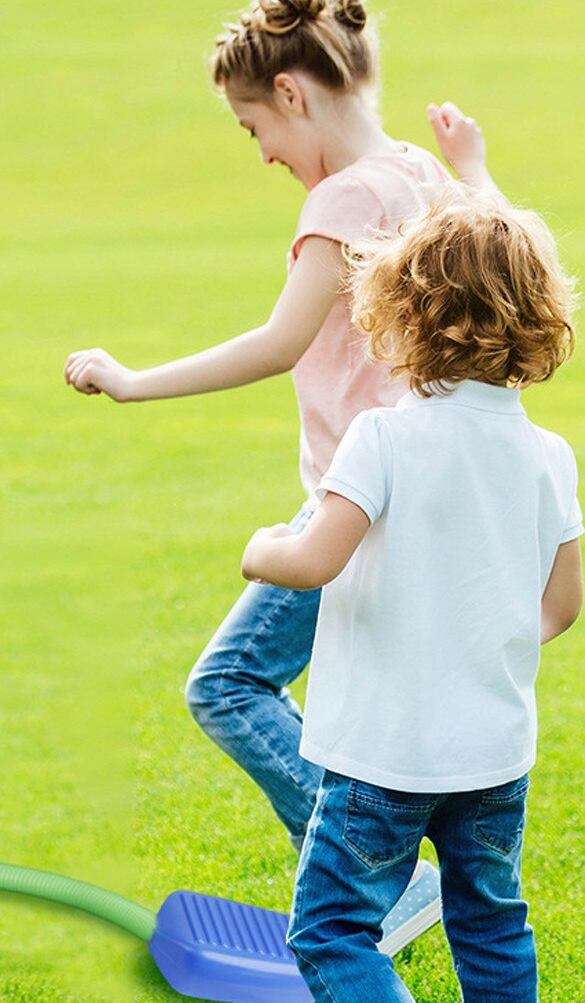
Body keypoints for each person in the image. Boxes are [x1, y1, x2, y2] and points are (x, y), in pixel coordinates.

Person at [64, 0, 487, 949]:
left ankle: (379, 880)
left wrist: (131, 381)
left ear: (292, 95)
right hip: (421, 484)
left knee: (225, 684)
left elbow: (278, 340)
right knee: (349, 704)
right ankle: (381, 879)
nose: (261, 152)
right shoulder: (421, 174)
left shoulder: (346, 196)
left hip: (361, 495)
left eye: (255, 126)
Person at [240, 192, 581, 1002]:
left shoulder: (382, 437)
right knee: (491, 924)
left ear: (406, 316)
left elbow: (314, 560)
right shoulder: (547, 454)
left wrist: (261, 549)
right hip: (493, 753)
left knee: (330, 932)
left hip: (383, 754)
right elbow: (561, 604)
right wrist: (484, 639)